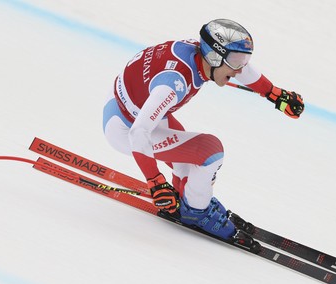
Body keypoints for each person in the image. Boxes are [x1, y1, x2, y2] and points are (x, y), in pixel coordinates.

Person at [102, 19, 304, 250]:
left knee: (190, 167)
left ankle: (190, 196)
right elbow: (139, 132)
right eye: (237, 61)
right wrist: (155, 182)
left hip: (129, 108)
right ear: (215, 57)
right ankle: (197, 211)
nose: (240, 68)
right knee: (210, 151)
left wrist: (273, 93)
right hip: (125, 128)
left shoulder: (200, 55)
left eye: (244, 60)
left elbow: (242, 70)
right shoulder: (174, 83)